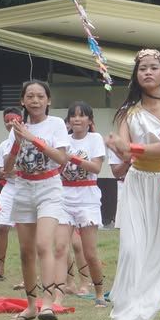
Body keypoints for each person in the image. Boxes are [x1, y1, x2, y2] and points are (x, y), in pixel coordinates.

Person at [104, 49, 160, 320]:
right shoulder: (128, 112)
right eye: (143, 69)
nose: (148, 73)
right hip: (138, 182)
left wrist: (130, 148)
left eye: (154, 67)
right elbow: (125, 153)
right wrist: (117, 146)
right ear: (136, 75)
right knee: (131, 249)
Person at [2, 80, 71, 320]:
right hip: (22, 188)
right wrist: (18, 142)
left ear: (48, 100)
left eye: (40, 96)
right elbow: (6, 169)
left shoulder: (57, 124)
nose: (35, 100)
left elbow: (62, 158)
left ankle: (49, 304)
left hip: (49, 188)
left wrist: (33, 139)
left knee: (44, 245)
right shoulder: (16, 128)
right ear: (22, 101)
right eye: (29, 96)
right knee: (25, 251)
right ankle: (31, 306)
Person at [61, 101, 108, 303]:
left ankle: (98, 293)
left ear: (90, 120)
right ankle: (58, 293)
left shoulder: (95, 139)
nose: (77, 119)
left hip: (87, 199)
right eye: (73, 116)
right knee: (59, 248)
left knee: (89, 252)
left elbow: (96, 168)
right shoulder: (62, 139)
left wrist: (72, 157)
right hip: (63, 197)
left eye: (81, 116)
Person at [0, 108, 22, 283]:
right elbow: (1, 172)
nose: (10, 123)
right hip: (9, 188)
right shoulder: (4, 145)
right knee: (1, 226)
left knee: (27, 230)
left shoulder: (30, 138)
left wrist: (11, 170)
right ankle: (0, 268)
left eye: (13, 119)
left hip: (27, 187)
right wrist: (11, 171)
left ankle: (29, 270)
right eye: (7, 120)